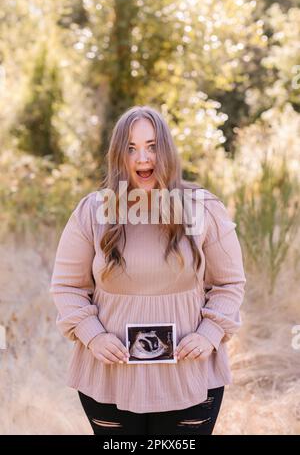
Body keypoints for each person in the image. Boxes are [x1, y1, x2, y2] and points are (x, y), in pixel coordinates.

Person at [50, 105, 246, 435]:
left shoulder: (203, 207)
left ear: (166, 150)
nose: (143, 159)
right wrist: (93, 336)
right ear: (118, 155)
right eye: (131, 147)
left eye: (152, 146)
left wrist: (209, 334)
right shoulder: (93, 211)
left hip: (188, 374)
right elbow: (67, 287)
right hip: (111, 378)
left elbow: (229, 284)